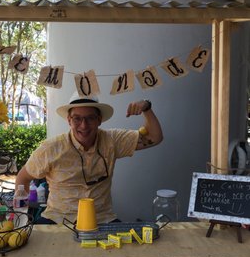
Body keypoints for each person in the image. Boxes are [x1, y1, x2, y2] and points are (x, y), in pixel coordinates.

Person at [14, 91, 163, 224]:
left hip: (102, 219)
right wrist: (21, 219)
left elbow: (154, 137)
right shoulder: (50, 148)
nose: (84, 126)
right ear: (69, 120)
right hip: (58, 219)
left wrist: (146, 107)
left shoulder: (112, 140)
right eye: (77, 119)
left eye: (90, 118)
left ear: (99, 120)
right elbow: (23, 178)